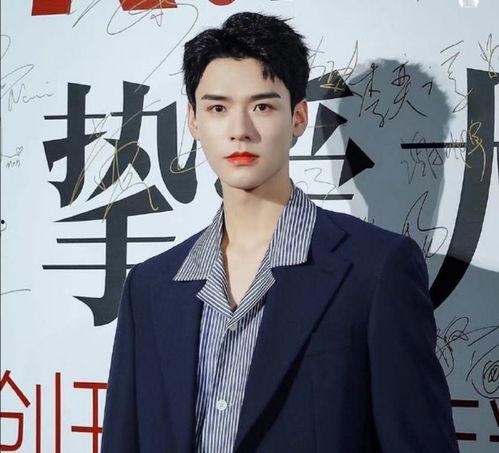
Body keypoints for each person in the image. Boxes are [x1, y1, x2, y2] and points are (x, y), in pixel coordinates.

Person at [100, 11, 459, 453]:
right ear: (194, 120)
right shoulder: (151, 286)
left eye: (263, 107)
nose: (240, 131)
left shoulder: (376, 270)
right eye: (217, 108)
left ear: (298, 117)